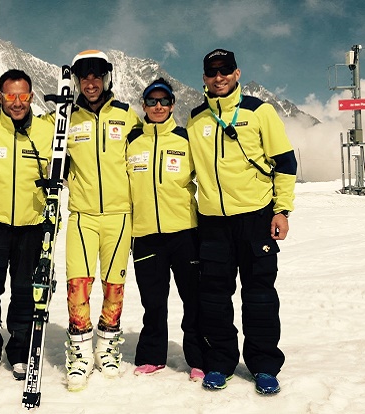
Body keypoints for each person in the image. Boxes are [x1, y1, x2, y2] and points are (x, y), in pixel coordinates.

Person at [186, 48, 297, 394]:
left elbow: (286, 162)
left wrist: (282, 210)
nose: (218, 77)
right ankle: (220, 361)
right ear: (204, 78)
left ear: (236, 73)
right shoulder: (196, 119)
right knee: (215, 298)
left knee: (260, 296)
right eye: (211, 72)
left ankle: (264, 365)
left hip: (255, 219)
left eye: (225, 70)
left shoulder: (259, 111)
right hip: (213, 224)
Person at [0, 69, 53, 382]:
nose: (17, 102)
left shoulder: (48, 130)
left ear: (32, 96)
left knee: (26, 292)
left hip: (32, 226)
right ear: (0, 97)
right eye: (10, 96)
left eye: (23, 96)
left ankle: (20, 351)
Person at [62, 50, 141, 391]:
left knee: (114, 285)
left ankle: (106, 348)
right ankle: (79, 353)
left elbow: (146, 153)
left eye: (96, 76)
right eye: (84, 77)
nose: (90, 83)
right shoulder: (65, 119)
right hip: (82, 216)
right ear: (77, 81)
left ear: (107, 77)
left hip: (120, 216)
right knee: (77, 285)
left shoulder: (127, 116)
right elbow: (35, 137)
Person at [126, 78, 205, 381]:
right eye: (151, 101)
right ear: (143, 106)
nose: (157, 106)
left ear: (172, 105)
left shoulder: (186, 139)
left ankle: (198, 358)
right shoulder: (132, 142)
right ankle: (152, 356)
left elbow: (209, 177)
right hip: (145, 236)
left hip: (185, 233)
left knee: (193, 299)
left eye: (163, 101)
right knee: (153, 301)